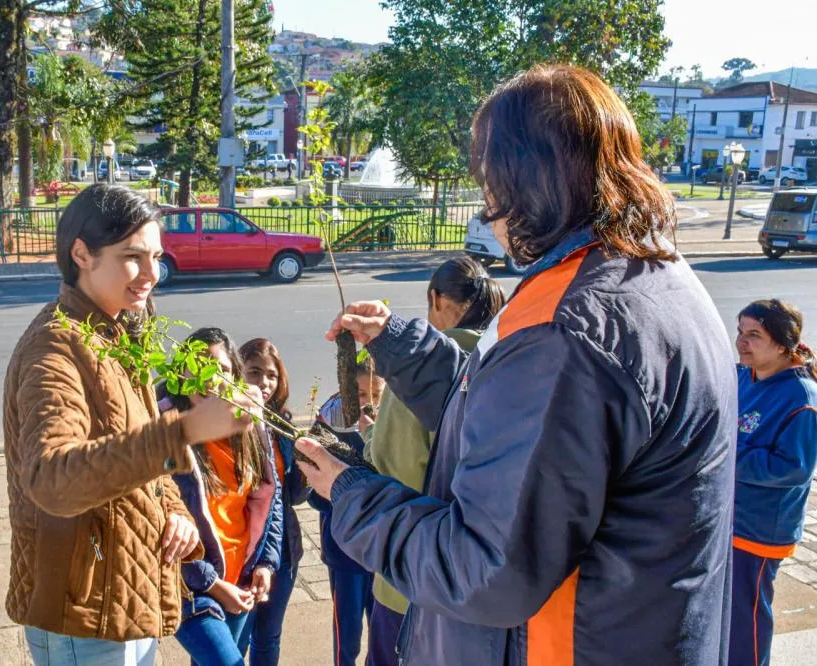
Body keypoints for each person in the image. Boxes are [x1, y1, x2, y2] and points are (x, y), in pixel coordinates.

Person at [297, 64, 737, 665]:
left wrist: (351, 495)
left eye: (489, 184)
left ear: (524, 181)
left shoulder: (568, 329)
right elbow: (513, 428)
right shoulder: (647, 274)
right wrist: (399, 343)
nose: (486, 211)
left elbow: (481, 570)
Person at [3, 184, 258, 665]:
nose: (152, 274)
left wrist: (175, 514)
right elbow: (50, 479)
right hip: (83, 614)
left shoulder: (113, 332)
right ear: (81, 252)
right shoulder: (55, 348)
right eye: (133, 257)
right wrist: (184, 430)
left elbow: (136, 455)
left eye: (157, 256)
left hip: (127, 593)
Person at [362, 256, 506, 666]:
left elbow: (391, 466)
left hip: (412, 575)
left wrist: (368, 437)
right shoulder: (505, 359)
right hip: (485, 582)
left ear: (436, 299)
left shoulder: (414, 370)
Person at [160, 328, 283, 666]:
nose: (210, 378)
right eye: (198, 365)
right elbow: (158, 522)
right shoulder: (166, 430)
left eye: (222, 369)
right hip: (192, 587)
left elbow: (271, 498)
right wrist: (212, 585)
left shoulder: (249, 423)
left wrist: (265, 563)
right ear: (180, 372)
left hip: (240, 576)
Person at [730, 299, 817, 666]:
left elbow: (794, 468)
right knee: (728, 611)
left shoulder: (802, 400)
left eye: (754, 335)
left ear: (782, 345)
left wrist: (727, 457)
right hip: (730, 517)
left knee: (747, 615)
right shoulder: (741, 376)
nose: (741, 342)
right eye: (740, 331)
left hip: (761, 528)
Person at [239, 338, 309, 666]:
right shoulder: (227, 422)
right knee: (231, 641)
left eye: (272, 375)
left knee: (268, 637)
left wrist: (309, 466)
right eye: (254, 372)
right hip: (239, 551)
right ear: (237, 372)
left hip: (282, 550)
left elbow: (292, 495)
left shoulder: (283, 425)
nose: (264, 383)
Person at [309, 358, 383, 666]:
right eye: (361, 396)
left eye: (377, 395)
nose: (368, 405)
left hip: (381, 549)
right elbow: (314, 493)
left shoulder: (391, 426)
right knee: (347, 632)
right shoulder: (328, 425)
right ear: (346, 391)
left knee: (381, 628)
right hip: (345, 552)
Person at [316, 356, 384, 435]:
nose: (369, 402)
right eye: (361, 394)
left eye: (375, 395)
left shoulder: (390, 407)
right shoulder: (335, 417)